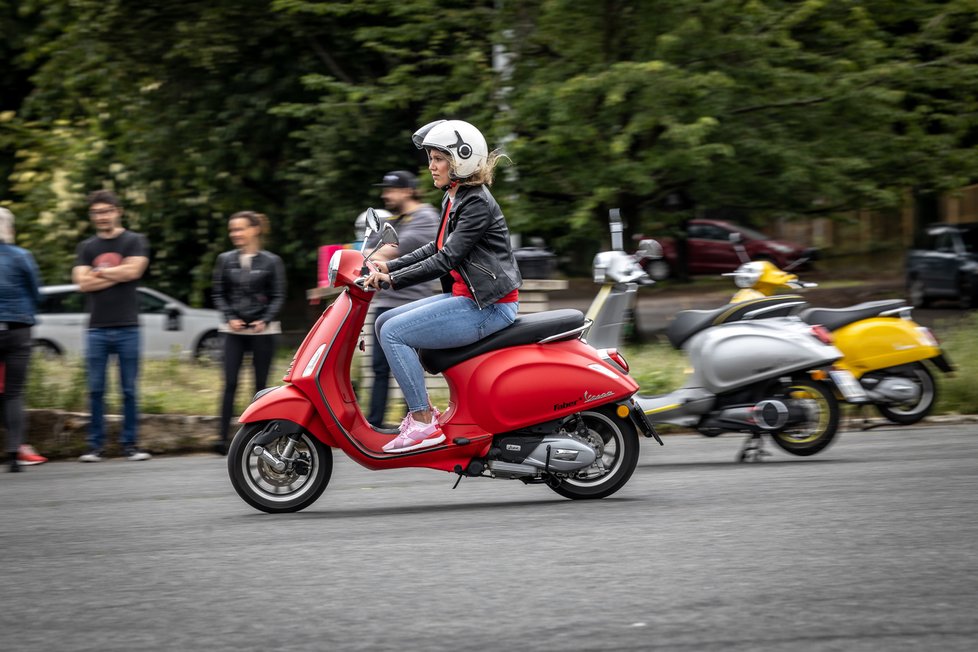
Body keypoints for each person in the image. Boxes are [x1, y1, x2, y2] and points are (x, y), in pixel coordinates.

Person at [364, 120, 522, 453]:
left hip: (489, 307)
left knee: (394, 332)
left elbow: (447, 259)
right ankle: (423, 414)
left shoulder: (476, 202)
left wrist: (392, 280)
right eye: (431, 158)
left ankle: (422, 421)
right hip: (470, 300)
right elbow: (436, 247)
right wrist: (388, 265)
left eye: (438, 158)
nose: (431, 166)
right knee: (382, 322)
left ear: (461, 159)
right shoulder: (456, 197)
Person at [73, 190, 151, 462]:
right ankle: (95, 446)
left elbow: (134, 271)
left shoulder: (134, 241)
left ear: (118, 211)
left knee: (128, 389)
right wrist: (118, 274)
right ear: (92, 216)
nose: (102, 216)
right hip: (97, 328)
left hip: (129, 326)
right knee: (96, 389)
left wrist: (99, 273)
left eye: (106, 210)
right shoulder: (87, 247)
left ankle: (130, 445)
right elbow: (82, 283)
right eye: (96, 212)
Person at [363, 170, 440, 429]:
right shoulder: (398, 220)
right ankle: (374, 424)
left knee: (408, 369)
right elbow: (368, 252)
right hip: (385, 302)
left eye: (391, 190)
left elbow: (392, 250)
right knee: (379, 369)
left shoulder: (426, 218)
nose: (386, 195)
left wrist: (379, 256)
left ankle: (420, 421)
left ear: (408, 191)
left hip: (411, 304)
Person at [211, 211, 286, 455]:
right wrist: (229, 317)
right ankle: (221, 439)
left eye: (240, 229)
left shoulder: (272, 261)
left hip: (262, 332)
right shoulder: (225, 259)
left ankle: (258, 439)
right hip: (232, 331)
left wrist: (264, 319)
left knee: (260, 387)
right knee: (230, 382)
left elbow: (278, 295)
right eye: (232, 230)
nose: (235, 234)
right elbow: (218, 293)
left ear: (255, 230)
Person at [0, 207, 48, 472]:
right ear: (11, 230)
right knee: (14, 393)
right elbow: (36, 292)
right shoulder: (22, 256)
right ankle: (14, 455)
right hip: (19, 329)